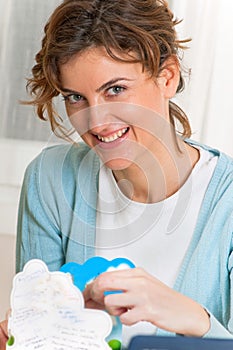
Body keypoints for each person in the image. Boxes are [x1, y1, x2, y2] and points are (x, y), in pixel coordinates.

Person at [1, 0, 233, 348]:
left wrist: (190, 316)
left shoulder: (225, 203)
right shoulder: (49, 180)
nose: (95, 123)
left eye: (115, 90)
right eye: (76, 97)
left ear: (166, 76)